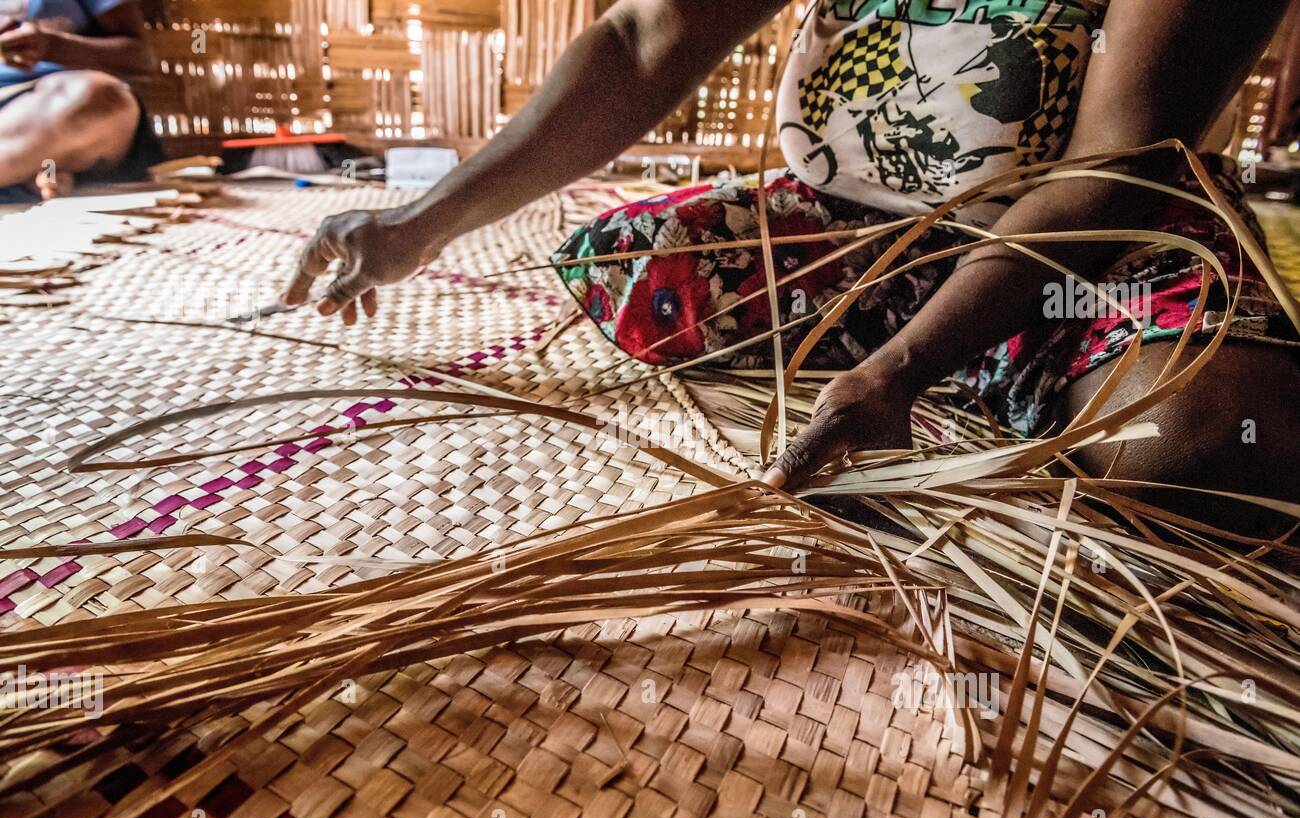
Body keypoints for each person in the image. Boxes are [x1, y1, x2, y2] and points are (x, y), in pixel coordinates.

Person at [285, 0, 1300, 532]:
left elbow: (1115, 160)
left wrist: (905, 365)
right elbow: (646, 37)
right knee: (629, 271)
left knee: (1197, 440)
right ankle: (961, 361)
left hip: (1095, 240)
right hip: (857, 229)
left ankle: (996, 355)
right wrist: (419, 223)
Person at [0, 0, 160, 201]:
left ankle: (23, 173)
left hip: (55, 104)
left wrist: (51, 46)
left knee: (103, 99)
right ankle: (30, 172)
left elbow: (141, 57)